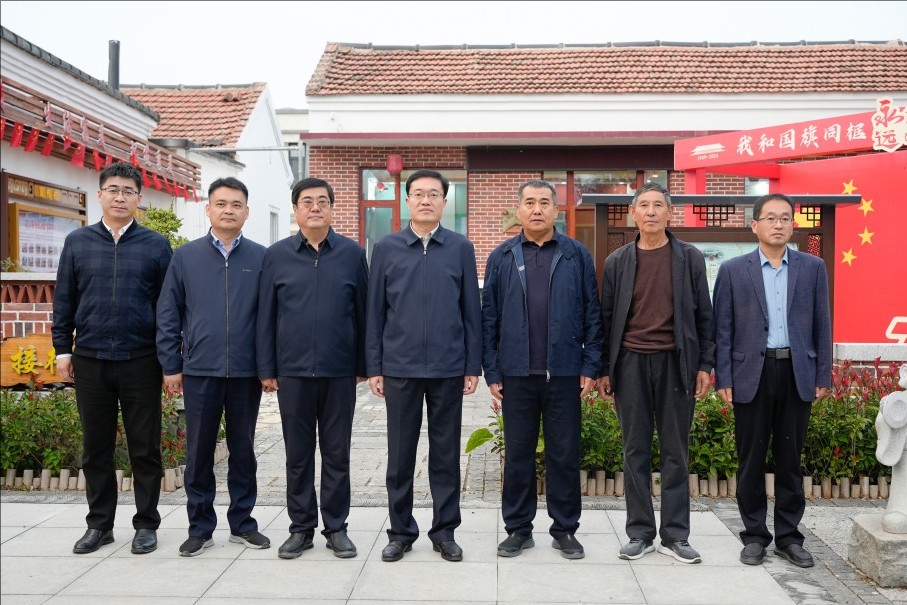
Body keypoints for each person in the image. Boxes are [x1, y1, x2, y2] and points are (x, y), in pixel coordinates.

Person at [52, 162, 173, 555]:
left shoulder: (156, 245)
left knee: (145, 447)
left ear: (139, 198)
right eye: (113, 190)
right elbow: (65, 299)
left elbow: (169, 307)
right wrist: (62, 349)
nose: (120, 197)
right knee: (96, 448)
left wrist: (169, 359)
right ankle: (99, 525)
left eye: (128, 191)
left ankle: (146, 524)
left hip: (142, 360)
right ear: (100, 194)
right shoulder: (78, 242)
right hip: (90, 360)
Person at [482, 179, 603, 560]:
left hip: (564, 373)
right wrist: (493, 371)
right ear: (518, 209)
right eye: (530, 202)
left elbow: (593, 312)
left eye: (545, 203)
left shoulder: (575, 254)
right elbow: (489, 318)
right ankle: (518, 529)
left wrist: (590, 364)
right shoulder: (502, 256)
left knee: (563, 454)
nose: (537, 209)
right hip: (516, 374)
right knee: (518, 456)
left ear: (556, 209)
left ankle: (565, 529)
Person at [366, 169, 481, 563]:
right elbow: (374, 311)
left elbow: (471, 310)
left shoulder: (460, 248)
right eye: (418, 194)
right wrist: (375, 365)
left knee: (446, 455)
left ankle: (445, 532)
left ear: (445, 202)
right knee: (400, 456)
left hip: (449, 368)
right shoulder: (387, 247)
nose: (426, 200)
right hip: (400, 367)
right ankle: (400, 532)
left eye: (434, 194)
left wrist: (472, 365)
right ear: (407, 200)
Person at [598, 182, 714, 564]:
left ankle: (675, 535)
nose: (650, 212)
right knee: (634, 449)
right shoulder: (617, 261)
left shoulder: (689, 258)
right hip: (630, 363)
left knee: (676, 451)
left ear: (669, 213)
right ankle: (640, 533)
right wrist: (605, 369)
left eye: (658, 205)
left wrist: (705, 364)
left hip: (676, 364)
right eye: (643, 205)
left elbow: (705, 316)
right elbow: (606, 319)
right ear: (633, 213)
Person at [713, 193, 831, 568]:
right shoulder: (733, 270)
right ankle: (754, 536)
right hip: (751, 373)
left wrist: (823, 373)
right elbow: (723, 330)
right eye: (770, 218)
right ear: (755, 225)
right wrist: (723, 377)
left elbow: (822, 325)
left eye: (784, 218)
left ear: (793, 225)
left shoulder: (813, 268)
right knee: (750, 459)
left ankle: (789, 537)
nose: (778, 224)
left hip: (797, 371)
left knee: (790, 460)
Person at [156, 177, 269, 557]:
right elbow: (168, 314)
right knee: (199, 451)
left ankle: (243, 523)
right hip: (200, 370)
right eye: (221, 203)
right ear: (208, 209)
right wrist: (171, 364)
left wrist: (268, 367)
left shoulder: (261, 258)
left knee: (243, 450)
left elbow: (272, 317)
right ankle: (200, 527)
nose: (228, 210)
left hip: (246, 372)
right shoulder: (186, 257)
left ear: (247, 212)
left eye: (236, 204)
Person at [257, 178, 368, 560]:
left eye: (322, 201)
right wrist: (266, 367)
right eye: (307, 201)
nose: (315, 207)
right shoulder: (276, 256)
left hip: (339, 372)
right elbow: (266, 315)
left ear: (332, 208)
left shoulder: (352, 254)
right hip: (293, 372)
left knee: (337, 454)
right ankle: (301, 529)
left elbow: (364, 311)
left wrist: (363, 364)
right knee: (298, 455)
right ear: (296, 210)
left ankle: (336, 528)